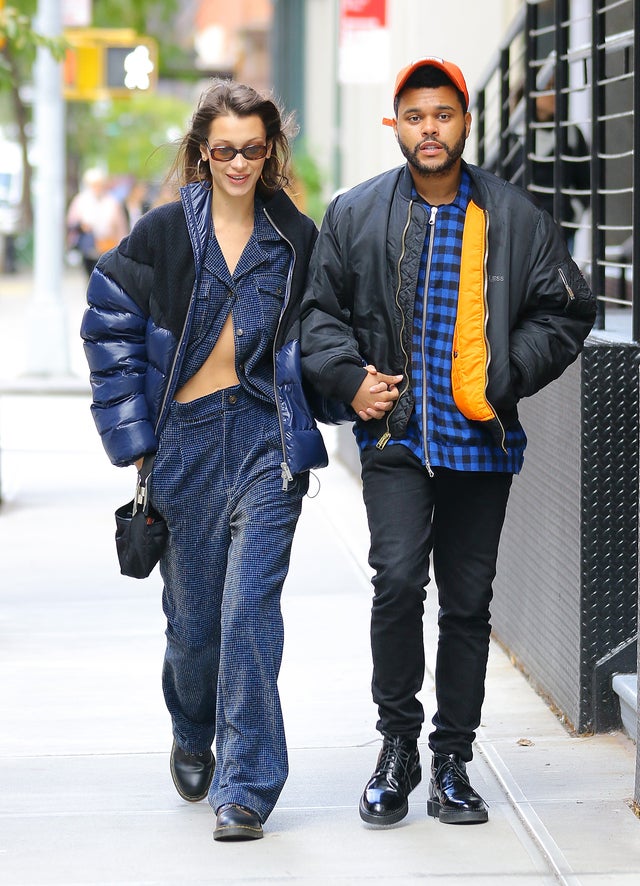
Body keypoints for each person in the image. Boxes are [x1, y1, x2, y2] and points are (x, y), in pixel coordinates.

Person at [300, 57, 596, 826]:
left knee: (467, 605)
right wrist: (350, 380)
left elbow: (567, 309)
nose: (429, 128)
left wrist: (506, 375)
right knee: (397, 583)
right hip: (395, 438)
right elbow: (318, 315)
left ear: (465, 121)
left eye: (443, 114)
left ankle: (454, 761)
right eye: (415, 115)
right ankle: (396, 748)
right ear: (394, 123)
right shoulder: (356, 212)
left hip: (479, 443)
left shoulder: (514, 217)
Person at [80, 80, 327, 841]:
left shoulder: (296, 240)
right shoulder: (161, 234)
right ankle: (192, 730)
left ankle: (245, 786)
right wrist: (134, 440)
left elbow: (323, 335)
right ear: (202, 152)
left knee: (249, 613)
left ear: (270, 152)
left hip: (263, 439)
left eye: (255, 148)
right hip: (183, 441)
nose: (240, 162)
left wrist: (353, 389)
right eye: (225, 149)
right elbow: (107, 319)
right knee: (194, 628)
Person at [67, 168, 129, 277]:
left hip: (108, 247)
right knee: (90, 276)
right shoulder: (81, 201)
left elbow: (120, 226)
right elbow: (72, 223)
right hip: (88, 248)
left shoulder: (112, 201)